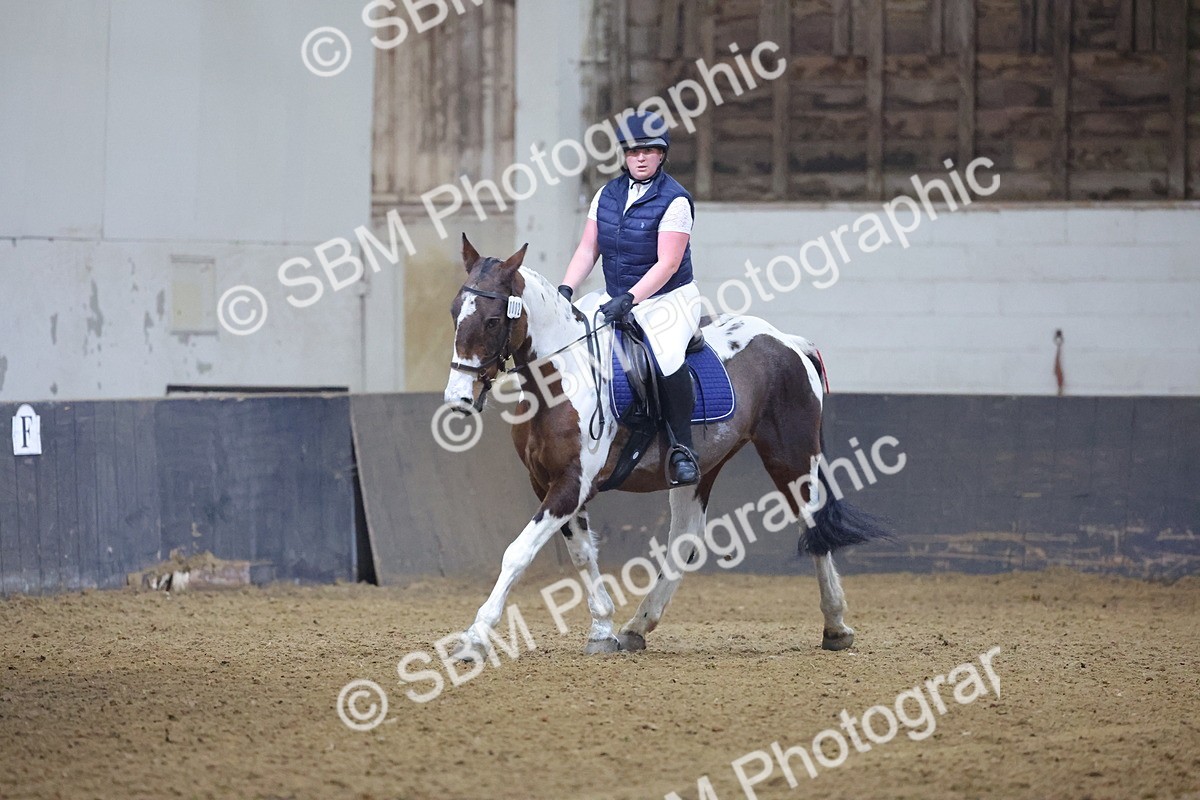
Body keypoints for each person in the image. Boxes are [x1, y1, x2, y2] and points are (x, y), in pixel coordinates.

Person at [557, 111, 702, 486]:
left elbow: (668, 264)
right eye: (633, 151)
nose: (640, 157)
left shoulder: (675, 200)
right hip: (617, 294)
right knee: (577, 338)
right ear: (623, 154)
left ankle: (681, 448)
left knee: (667, 355)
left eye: (649, 151)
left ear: (661, 155)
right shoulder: (607, 195)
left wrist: (632, 298)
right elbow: (589, 249)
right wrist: (566, 289)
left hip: (668, 297)